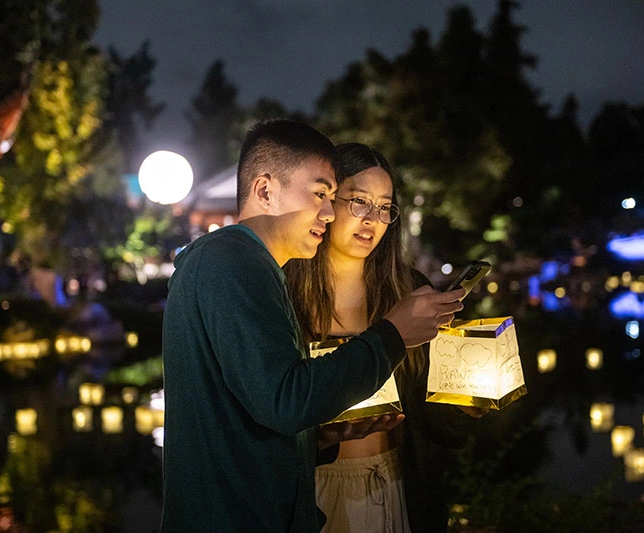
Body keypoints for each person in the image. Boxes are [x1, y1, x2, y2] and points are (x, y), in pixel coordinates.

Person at [161, 120, 466, 532]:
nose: (328, 211)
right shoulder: (229, 263)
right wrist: (392, 334)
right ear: (265, 190)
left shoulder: (252, 267)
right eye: (323, 194)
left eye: (332, 197)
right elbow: (287, 399)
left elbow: (259, 404)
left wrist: (314, 442)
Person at [284, 142, 486, 533]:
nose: (372, 219)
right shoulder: (284, 295)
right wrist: (319, 438)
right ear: (326, 201)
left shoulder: (408, 292)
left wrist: (462, 405)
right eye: (359, 201)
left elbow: (430, 417)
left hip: (398, 483)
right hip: (312, 491)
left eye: (384, 207)